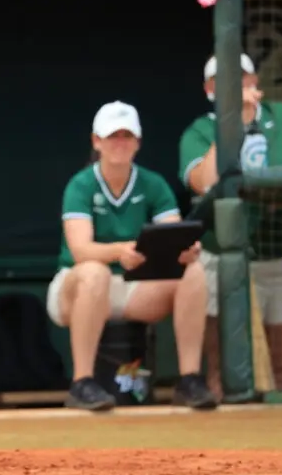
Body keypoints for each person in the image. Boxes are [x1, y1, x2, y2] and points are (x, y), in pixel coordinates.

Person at [178, 53, 282, 397]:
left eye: (243, 77)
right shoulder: (200, 131)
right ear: (210, 89)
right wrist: (232, 123)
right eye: (225, 81)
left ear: (254, 82)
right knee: (223, 374)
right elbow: (204, 182)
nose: (237, 85)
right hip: (224, 262)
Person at [48, 101, 218, 412]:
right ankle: (82, 382)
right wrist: (118, 251)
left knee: (195, 268)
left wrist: (185, 249)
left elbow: (172, 233)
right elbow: (80, 249)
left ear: (138, 142)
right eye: (112, 135)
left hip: (132, 288)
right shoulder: (81, 184)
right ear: (96, 141)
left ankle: (189, 379)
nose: (120, 143)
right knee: (94, 271)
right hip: (75, 289)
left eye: (127, 136)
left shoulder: (153, 184)